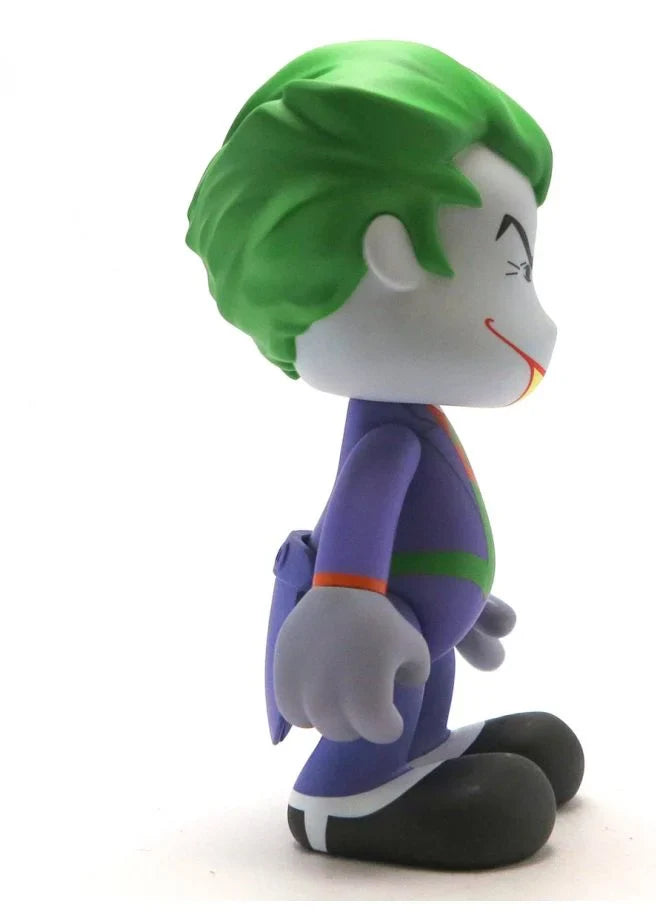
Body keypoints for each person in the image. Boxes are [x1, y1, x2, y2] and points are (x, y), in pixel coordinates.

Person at [187, 39, 584, 869]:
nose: (538, 322)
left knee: (488, 723)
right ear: (391, 254)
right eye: (512, 269)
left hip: (408, 629)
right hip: (377, 637)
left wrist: (457, 603)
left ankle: (424, 745)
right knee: (446, 746)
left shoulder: (408, 419)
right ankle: (340, 798)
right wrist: (345, 600)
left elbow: (415, 532)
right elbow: (362, 524)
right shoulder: (388, 440)